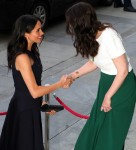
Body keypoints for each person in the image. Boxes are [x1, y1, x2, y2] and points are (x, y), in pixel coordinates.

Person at [65, 2, 136, 150]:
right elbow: (94, 63)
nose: (70, 27)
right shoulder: (92, 35)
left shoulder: (109, 36)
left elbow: (122, 70)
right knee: (95, 130)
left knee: (111, 136)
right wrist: (73, 75)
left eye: (71, 23)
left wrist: (108, 96)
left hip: (121, 87)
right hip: (107, 83)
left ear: (80, 23)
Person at [0, 14, 71, 150]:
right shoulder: (22, 57)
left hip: (29, 107)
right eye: (37, 30)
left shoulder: (31, 51)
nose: (42, 33)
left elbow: (29, 87)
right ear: (26, 33)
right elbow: (34, 91)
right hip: (23, 111)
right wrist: (60, 84)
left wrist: (41, 104)